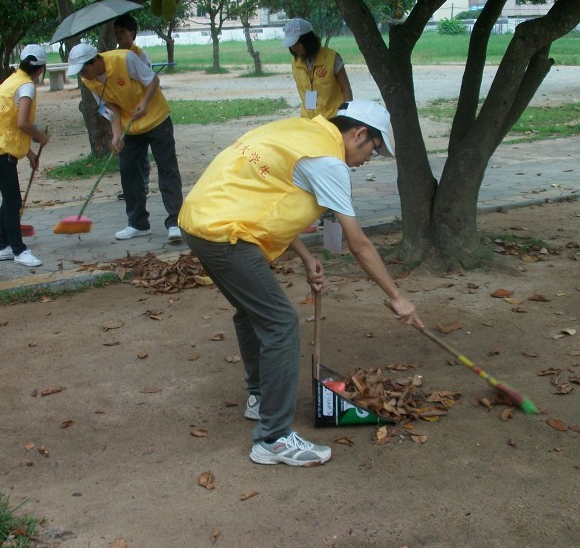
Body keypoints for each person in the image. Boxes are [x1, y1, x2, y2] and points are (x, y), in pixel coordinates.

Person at [179, 99, 425, 467]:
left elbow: (270, 192)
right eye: (372, 150)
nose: (366, 161)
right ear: (358, 134)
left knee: (251, 313)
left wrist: (307, 257)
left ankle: (259, 397)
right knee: (281, 323)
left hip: (201, 219)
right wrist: (397, 298)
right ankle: (273, 439)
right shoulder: (328, 162)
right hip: (224, 233)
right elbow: (359, 243)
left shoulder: (301, 131)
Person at [67, 42, 184, 245]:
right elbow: (107, 106)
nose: (82, 75)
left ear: (95, 61)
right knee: (128, 170)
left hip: (156, 118)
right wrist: (116, 134)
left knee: (167, 168)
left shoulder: (124, 59)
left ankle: (175, 222)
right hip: (130, 126)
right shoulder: (89, 81)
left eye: (84, 69)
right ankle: (138, 224)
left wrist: (144, 103)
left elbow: (153, 80)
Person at [0, 44, 51, 268]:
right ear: (41, 69)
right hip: (0, 152)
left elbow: (9, 124)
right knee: (13, 202)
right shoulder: (27, 86)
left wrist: (28, 152)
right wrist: (40, 137)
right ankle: (19, 250)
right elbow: (22, 123)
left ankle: (2, 247)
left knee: (8, 199)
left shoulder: (10, 81)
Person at [283, 17, 353, 120]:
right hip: (308, 120)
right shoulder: (295, 64)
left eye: (297, 43)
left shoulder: (332, 58)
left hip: (333, 118)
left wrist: (347, 114)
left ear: (308, 40)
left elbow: (346, 88)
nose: (294, 48)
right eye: (291, 44)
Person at [114, 14, 151, 199]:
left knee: (142, 154)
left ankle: (143, 185)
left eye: (122, 32)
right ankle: (130, 189)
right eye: (116, 33)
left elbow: (149, 82)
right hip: (124, 112)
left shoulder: (140, 55)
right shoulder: (115, 56)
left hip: (141, 111)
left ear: (132, 33)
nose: (118, 36)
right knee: (127, 156)